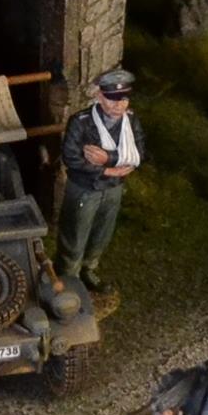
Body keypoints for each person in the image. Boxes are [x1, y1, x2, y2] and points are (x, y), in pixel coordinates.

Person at [56, 68, 143, 294]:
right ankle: (68, 277)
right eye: (112, 98)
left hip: (113, 190)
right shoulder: (81, 122)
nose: (119, 105)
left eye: (124, 99)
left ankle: (89, 269)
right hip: (85, 188)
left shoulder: (130, 122)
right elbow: (71, 158)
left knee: (102, 233)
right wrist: (108, 170)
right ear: (99, 96)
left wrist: (108, 159)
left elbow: (138, 154)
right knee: (75, 234)